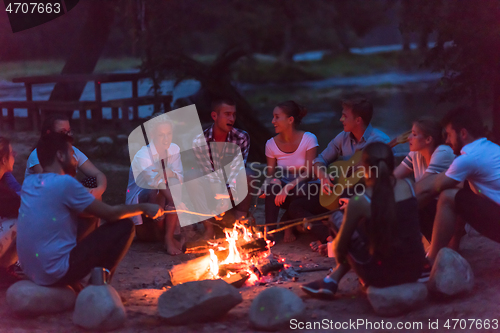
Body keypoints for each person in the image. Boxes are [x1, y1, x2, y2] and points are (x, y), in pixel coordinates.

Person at [17, 132, 163, 290]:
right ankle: (98, 287)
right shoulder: (65, 183)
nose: (75, 161)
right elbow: (110, 214)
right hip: (54, 272)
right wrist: (143, 208)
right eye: (73, 155)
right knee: (125, 226)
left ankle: (80, 283)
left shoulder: (30, 182)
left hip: (31, 270)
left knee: (90, 215)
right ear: (60, 155)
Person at [301, 142, 426, 298]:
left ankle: (333, 279)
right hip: (415, 269)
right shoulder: (409, 185)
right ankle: (331, 280)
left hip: (381, 276)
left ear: (364, 169)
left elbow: (340, 249)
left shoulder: (361, 200)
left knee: (336, 218)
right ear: (392, 164)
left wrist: (352, 219)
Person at [287, 98, 390, 247]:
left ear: (358, 120)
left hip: (362, 197)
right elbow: (319, 160)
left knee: (348, 194)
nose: (341, 119)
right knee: (296, 206)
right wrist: (323, 176)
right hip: (336, 193)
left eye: (345, 116)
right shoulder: (343, 137)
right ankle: (328, 236)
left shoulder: (380, 141)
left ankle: (337, 239)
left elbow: (383, 180)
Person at [418, 108, 500, 265]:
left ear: (462, 133)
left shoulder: (469, 158)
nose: (447, 141)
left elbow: (431, 187)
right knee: (462, 189)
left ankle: (431, 260)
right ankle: (452, 246)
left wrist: (399, 202)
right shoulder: (491, 148)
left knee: (448, 196)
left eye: (449, 135)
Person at [188, 97, 254, 239]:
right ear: (214, 116)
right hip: (210, 189)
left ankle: (240, 220)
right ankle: (209, 229)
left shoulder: (241, 137)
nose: (232, 118)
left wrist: (226, 195)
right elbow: (206, 173)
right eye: (227, 114)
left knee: (248, 175)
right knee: (193, 177)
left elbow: (237, 169)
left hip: (232, 189)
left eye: (234, 114)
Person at [126, 117, 185, 255]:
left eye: (168, 134)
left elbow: (179, 176)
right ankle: (162, 234)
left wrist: (168, 172)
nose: (166, 139)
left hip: (165, 196)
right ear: (152, 135)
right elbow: (156, 182)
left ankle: (168, 237)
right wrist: (176, 202)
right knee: (158, 190)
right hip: (144, 199)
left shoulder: (174, 149)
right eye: (161, 135)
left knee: (174, 183)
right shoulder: (143, 155)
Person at [261, 101, 318, 242]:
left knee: (299, 189)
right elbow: (271, 174)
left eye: (277, 117)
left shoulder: (309, 139)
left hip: (308, 188)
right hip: (286, 189)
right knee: (272, 186)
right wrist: (266, 185)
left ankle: (288, 226)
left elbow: (309, 173)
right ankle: (270, 231)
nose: (273, 121)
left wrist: (288, 186)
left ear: (290, 120)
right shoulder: (271, 144)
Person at [393, 118, 455, 241]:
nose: (409, 137)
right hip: (430, 208)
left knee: (409, 204)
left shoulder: (443, 152)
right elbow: (392, 178)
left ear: (428, 139)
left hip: (447, 211)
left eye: (414, 134)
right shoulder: (416, 153)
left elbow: (424, 189)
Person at [25, 114, 107, 200]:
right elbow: (51, 185)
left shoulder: (72, 151)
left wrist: (98, 190)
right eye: (62, 132)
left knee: (93, 181)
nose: (68, 135)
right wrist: (84, 191)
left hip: (69, 191)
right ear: (49, 133)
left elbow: (98, 174)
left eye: (69, 131)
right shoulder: (37, 155)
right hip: (48, 198)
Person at [0, 137, 21, 271]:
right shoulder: (4, 195)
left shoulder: (5, 181)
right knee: (24, 220)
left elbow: (18, 189)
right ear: (4, 160)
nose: (15, 155)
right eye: (12, 153)